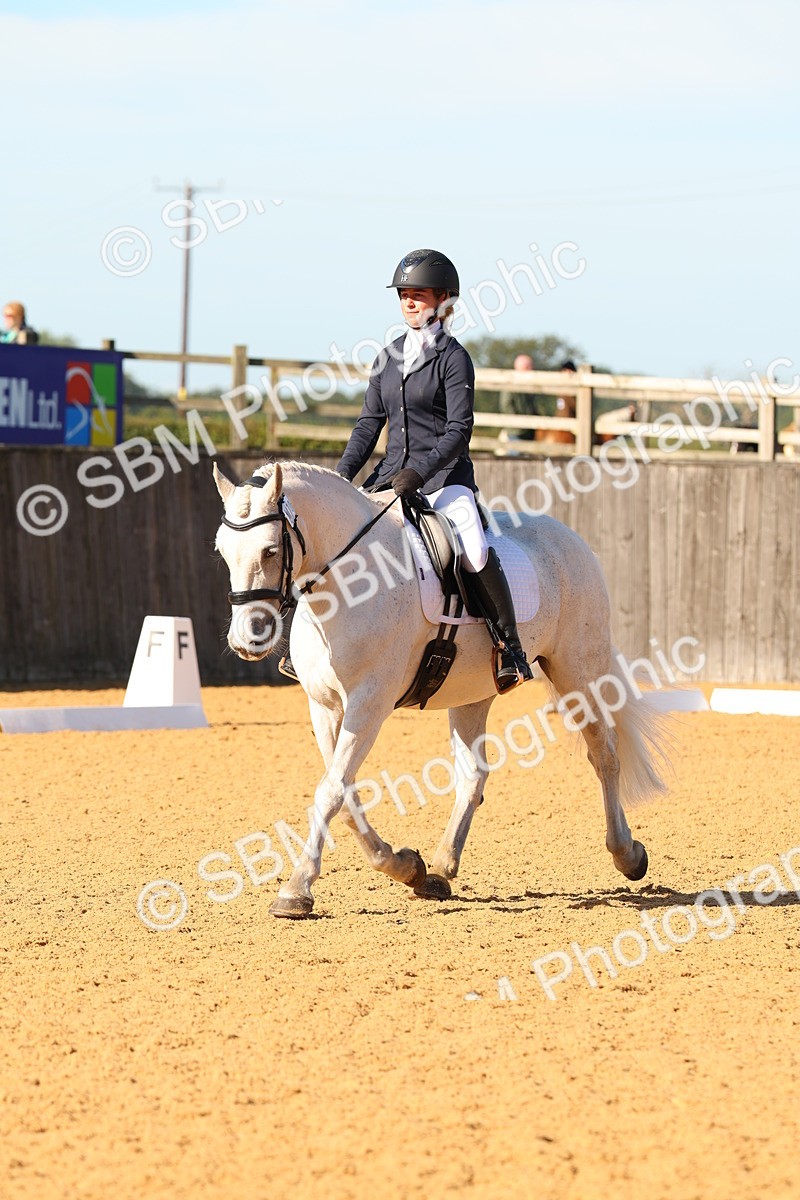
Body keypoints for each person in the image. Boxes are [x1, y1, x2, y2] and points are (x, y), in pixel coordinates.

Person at [335, 248, 533, 690]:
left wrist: (419, 473)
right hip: (389, 478)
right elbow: (369, 425)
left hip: (445, 481)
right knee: (338, 538)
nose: (408, 302)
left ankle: (509, 646)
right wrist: (341, 477)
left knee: (474, 549)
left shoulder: (453, 358)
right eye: (404, 294)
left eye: (418, 295)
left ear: (445, 301)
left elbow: (459, 429)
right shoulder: (387, 356)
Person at [499, 352, 538, 441]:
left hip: (529, 431)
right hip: (516, 431)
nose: (532, 370)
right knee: (514, 453)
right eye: (530, 367)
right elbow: (506, 405)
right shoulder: (510, 384)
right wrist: (519, 423)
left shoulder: (530, 386)